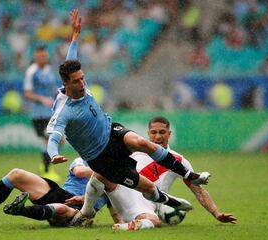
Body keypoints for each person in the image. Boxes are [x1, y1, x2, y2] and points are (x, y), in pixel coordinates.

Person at [47, 9, 210, 226]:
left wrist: (75, 36)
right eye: (76, 82)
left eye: (82, 78)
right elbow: (53, 136)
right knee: (148, 188)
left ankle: (190, 175)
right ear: (67, 84)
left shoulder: (74, 80)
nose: (82, 83)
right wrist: (53, 154)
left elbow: (70, 60)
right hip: (101, 158)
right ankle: (166, 201)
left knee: (142, 142)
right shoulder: (64, 110)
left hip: (112, 131)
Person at [132, 116, 237, 224]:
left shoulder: (178, 160)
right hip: (127, 199)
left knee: (153, 222)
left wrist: (216, 213)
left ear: (169, 134)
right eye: (154, 132)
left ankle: (128, 222)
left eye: (162, 132)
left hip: (148, 204)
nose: (158, 136)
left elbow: (198, 191)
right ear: (148, 133)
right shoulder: (134, 152)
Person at [0, 158, 109, 227]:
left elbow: (112, 207)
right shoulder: (82, 160)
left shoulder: (117, 182)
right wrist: (107, 172)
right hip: (60, 193)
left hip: (80, 209)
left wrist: (84, 199)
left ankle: (19, 210)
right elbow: (79, 172)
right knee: (16, 174)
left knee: (61, 209)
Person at [24, 45, 60, 181]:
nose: (43, 58)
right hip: (38, 114)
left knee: (57, 139)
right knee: (49, 139)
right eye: (40, 56)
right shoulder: (31, 72)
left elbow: (52, 89)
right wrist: (42, 99)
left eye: (45, 56)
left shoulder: (49, 70)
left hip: (50, 112)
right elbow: (27, 94)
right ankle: (46, 169)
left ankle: (45, 165)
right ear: (35, 57)